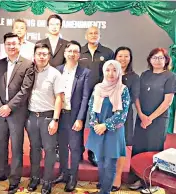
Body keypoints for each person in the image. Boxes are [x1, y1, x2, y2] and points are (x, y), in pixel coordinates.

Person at [0, 32, 34, 194]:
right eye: (8, 44)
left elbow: (25, 90)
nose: (11, 47)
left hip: (17, 113)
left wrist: (9, 107)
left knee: (16, 147)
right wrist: (1, 106)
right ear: (4, 46)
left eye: (14, 44)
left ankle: (14, 179)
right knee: (0, 145)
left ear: (20, 44)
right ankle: (1, 173)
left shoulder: (28, 64)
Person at [129, 48, 176, 190]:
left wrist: (150, 118)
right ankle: (137, 178)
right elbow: (136, 96)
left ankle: (150, 182)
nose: (157, 60)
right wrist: (141, 115)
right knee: (138, 147)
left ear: (166, 60)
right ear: (149, 59)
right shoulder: (144, 75)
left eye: (161, 58)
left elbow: (167, 101)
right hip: (141, 118)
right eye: (154, 58)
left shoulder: (170, 76)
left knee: (153, 150)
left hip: (158, 120)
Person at [86, 60, 130, 194]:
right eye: (108, 70)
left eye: (114, 70)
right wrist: (95, 125)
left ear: (119, 72)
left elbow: (122, 113)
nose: (111, 73)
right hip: (98, 130)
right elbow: (91, 107)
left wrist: (105, 125)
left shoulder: (123, 89)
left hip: (113, 131)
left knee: (110, 163)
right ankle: (103, 186)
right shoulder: (98, 87)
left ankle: (105, 191)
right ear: (103, 71)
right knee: (99, 160)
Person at [53, 41, 91, 192]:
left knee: (74, 148)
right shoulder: (57, 70)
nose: (72, 54)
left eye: (76, 51)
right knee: (61, 146)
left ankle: (73, 178)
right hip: (59, 115)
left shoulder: (85, 72)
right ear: (65, 53)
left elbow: (85, 97)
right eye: (70, 51)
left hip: (74, 116)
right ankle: (63, 173)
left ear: (79, 55)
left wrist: (80, 118)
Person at [25, 43, 63, 194]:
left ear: (49, 56)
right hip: (32, 116)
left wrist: (55, 120)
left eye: (45, 54)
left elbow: (59, 98)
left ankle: (47, 181)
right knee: (34, 149)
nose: (41, 56)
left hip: (48, 117)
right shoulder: (28, 72)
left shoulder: (55, 74)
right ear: (34, 55)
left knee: (49, 150)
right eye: (39, 53)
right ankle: (34, 178)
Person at [79, 26, 115, 166]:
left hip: (101, 95)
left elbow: (113, 73)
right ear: (85, 36)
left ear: (100, 35)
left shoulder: (107, 53)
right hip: (80, 93)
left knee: (96, 124)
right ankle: (78, 151)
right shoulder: (79, 51)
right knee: (79, 122)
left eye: (96, 33)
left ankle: (93, 153)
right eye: (90, 33)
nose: (93, 35)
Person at [110, 46, 140, 191]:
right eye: (120, 56)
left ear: (130, 58)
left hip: (124, 117)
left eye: (126, 56)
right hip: (107, 115)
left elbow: (133, 98)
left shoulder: (134, 77)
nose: (123, 59)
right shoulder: (109, 73)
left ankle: (117, 178)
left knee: (120, 148)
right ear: (115, 57)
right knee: (108, 147)